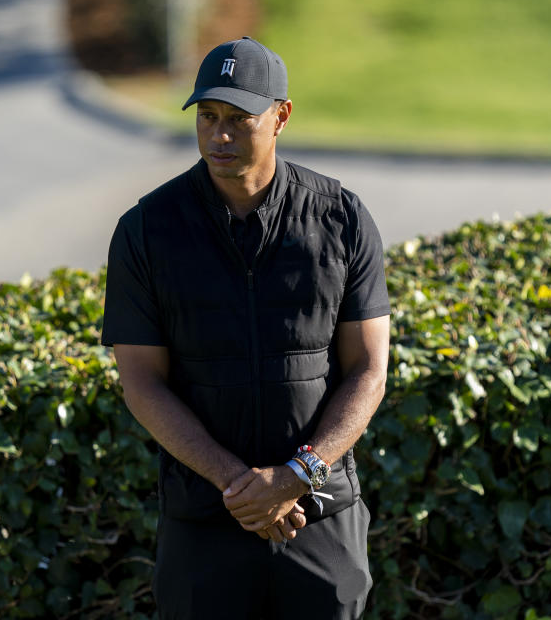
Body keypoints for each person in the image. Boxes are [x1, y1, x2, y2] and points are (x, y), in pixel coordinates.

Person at [101, 36, 391, 620]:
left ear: (281, 116)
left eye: (239, 119)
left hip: (321, 515)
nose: (219, 136)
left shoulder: (342, 218)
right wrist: (246, 487)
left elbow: (369, 370)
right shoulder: (145, 230)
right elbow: (141, 383)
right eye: (207, 117)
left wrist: (296, 476)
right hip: (205, 521)